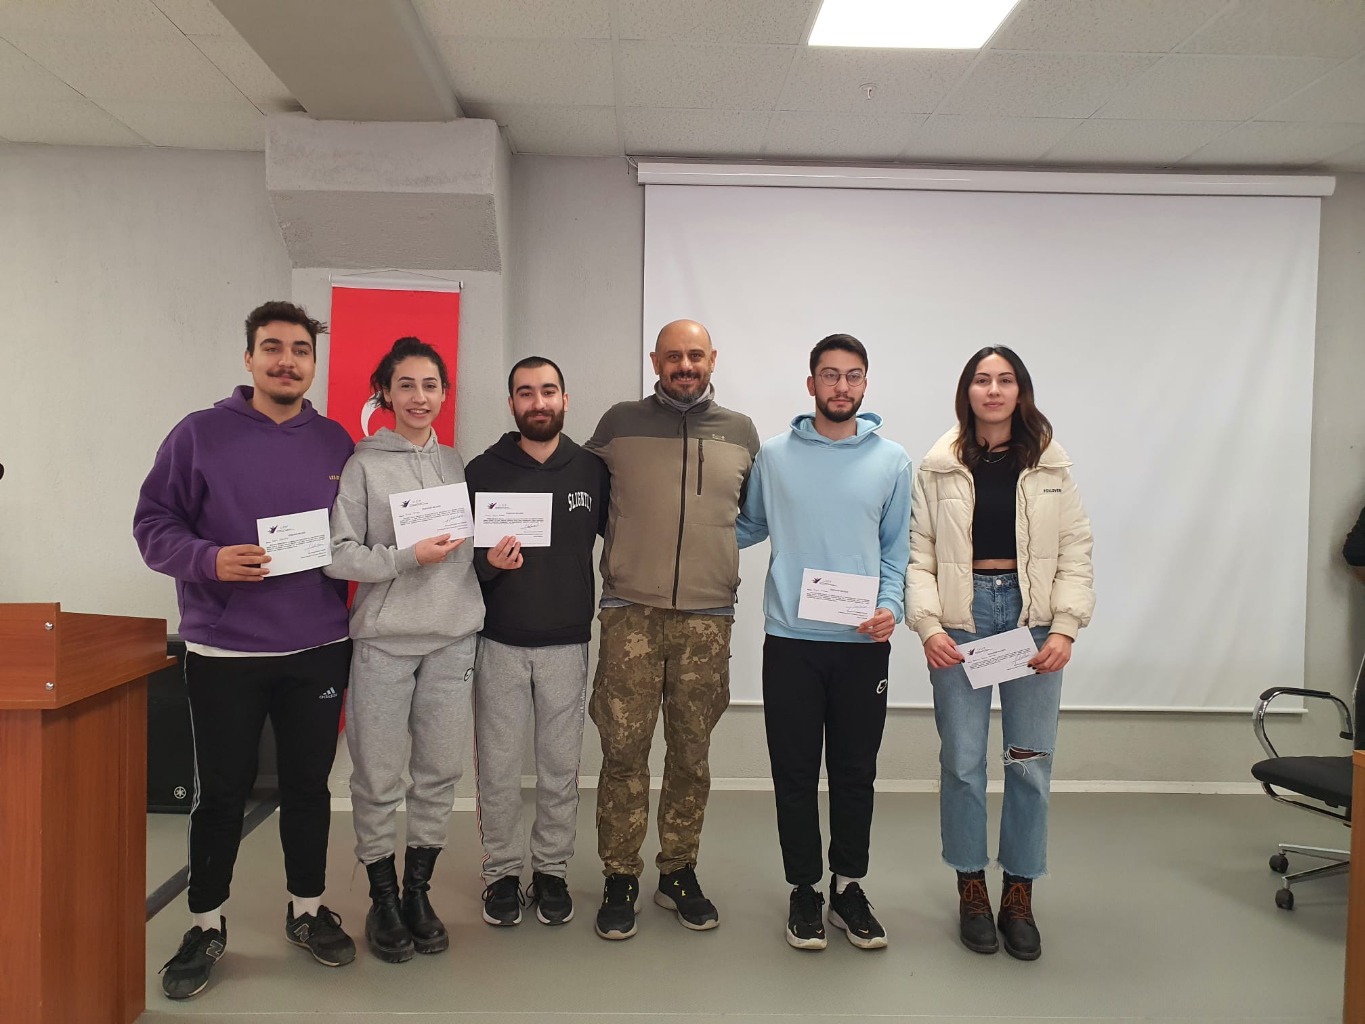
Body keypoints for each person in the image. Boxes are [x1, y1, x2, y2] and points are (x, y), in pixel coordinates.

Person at [133, 301, 357, 999]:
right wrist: (209, 560)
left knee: (307, 788)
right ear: (249, 357)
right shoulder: (198, 435)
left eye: (300, 350)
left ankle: (307, 909)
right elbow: (153, 524)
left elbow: (354, 536)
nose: (287, 360)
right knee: (222, 793)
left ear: (314, 362)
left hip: (318, 647)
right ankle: (205, 923)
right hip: (224, 652)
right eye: (273, 347)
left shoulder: (336, 441)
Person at [906, 345, 1094, 962]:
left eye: (1004, 379)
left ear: (1020, 391)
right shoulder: (938, 466)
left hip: (1030, 622)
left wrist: (1064, 628)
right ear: (967, 391)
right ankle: (971, 889)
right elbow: (918, 554)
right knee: (962, 762)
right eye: (982, 380)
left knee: (1028, 761)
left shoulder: (1050, 465)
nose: (993, 389)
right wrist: (928, 625)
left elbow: (1075, 549)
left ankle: (1018, 894)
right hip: (962, 622)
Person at [584, 319, 760, 940]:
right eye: (674, 356)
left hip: (707, 619)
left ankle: (678, 871)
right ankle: (619, 875)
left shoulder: (741, 432)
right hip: (629, 612)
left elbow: (752, 515)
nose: (686, 366)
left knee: (691, 754)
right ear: (655, 360)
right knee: (623, 752)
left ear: (712, 359)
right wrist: (635, 545)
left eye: (696, 356)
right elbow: (588, 500)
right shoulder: (618, 424)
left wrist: (710, 549)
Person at [737, 334, 910, 951]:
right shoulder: (774, 456)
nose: (841, 386)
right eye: (830, 375)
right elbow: (746, 526)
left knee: (855, 771)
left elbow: (895, 551)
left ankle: (848, 887)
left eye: (853, 375)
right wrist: (678, 523)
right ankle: (805, 889)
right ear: (811, 383)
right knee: (794, 772)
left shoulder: (893, 461)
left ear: (866, 384)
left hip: (862, 644)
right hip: (791, 641)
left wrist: (891, 607)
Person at [324, 337, 482, 964]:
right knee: (378, 775)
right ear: (385, 393)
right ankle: (382, 896)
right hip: (385, 643)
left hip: (453, 639)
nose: (420, 397)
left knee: (439, 772)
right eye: (406, 385)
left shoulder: (456, 462)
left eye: (430, 385)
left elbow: (465, 545)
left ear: (445, 394)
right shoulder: (363, 466)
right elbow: (338, 555)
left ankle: (418, 892)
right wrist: (405, 557)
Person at [465, 356, 609, 927]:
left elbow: (622, 539)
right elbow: (460, 563)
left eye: (548, 391)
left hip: (567, 643)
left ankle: (551, 869)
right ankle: (501, 872)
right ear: (512, 404)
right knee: (498, 767)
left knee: (559, 767)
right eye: (526, 392)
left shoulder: (592, 470)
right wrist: (489, 564)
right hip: (499, 642)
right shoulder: (482, 470)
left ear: (565, 399)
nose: (538, 401)